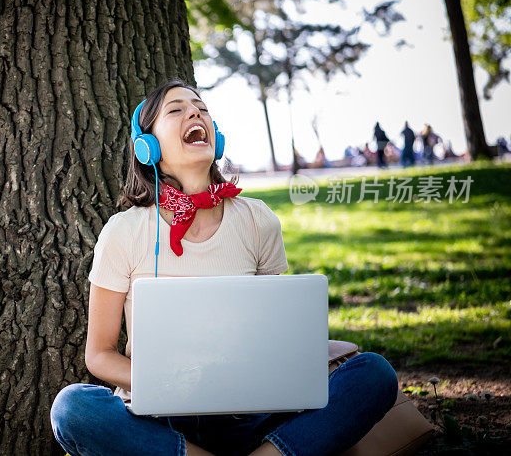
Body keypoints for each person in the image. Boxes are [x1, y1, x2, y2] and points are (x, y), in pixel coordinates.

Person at [50, 78, 399, 456]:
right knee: (72, 409)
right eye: (176, 109)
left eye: (200, 107)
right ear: (148, 148)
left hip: (250, 415)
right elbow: (98, 354)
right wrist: (172, 382)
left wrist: (313, 355)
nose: (194, 112)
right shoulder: (125, 231)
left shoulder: (256, 219)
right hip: (160, 422)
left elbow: (277, 336)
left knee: (374, 373)